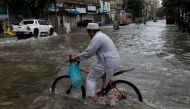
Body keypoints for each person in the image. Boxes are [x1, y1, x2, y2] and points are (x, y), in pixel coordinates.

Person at [67, 23, 120, 104]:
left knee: (90, 78)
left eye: (88, 32)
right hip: (112, 60)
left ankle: (91, 101)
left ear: (92, 31)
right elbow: (91, 51)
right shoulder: (101, 35)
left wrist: (73, 58)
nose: (88, 34)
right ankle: (105, 94)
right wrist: (80, 56)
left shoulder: (97, 38)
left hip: (107, 63)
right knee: (93, 66)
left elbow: (88, 53)